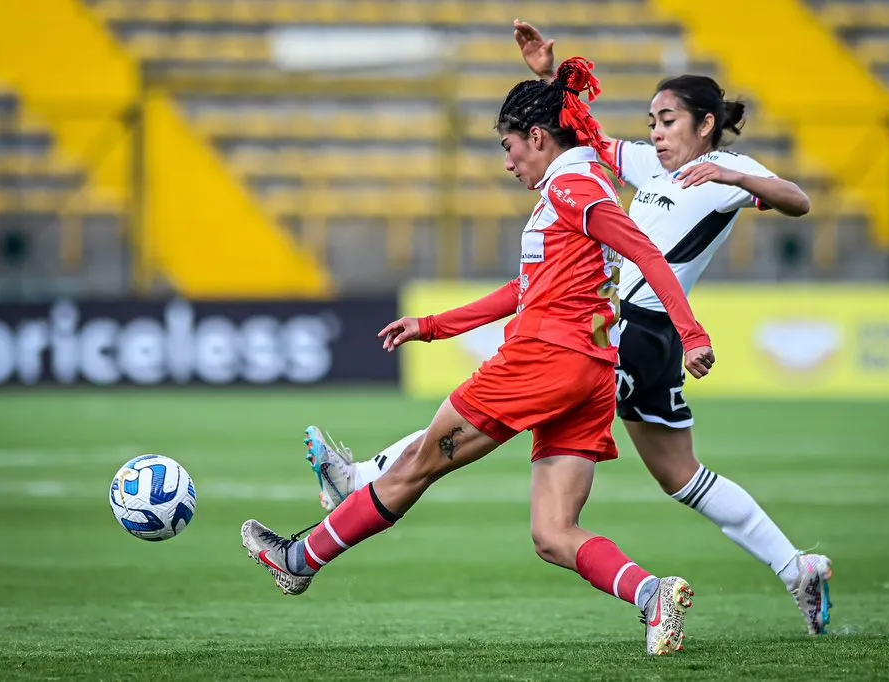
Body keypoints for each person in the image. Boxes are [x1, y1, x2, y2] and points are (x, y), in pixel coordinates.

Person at [305, 22, 834, 637]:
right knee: (680, 475)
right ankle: (796, 566)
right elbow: (572, 141)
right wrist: (548, 79)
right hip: (633, 333)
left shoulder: (723, 170)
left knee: (501, 399)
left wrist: (740, 181)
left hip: (629, 330)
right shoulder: (642, 165)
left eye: (668, 120)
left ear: (705, 125)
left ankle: (367, 477)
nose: (656, 132)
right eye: (653, 121)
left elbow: (797, 200)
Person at [242, 57, 717, 657]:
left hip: (544, 359)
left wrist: (692, 334)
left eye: (510, 146)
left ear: (539, 138)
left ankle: (300, 559)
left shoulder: (573, 189)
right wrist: (434, 326)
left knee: (419, 463)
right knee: (552, 534)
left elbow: (646, 253)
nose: (508, 161)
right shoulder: (576, 185)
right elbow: (525, 289)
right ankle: (654, 596)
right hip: (591, 372)